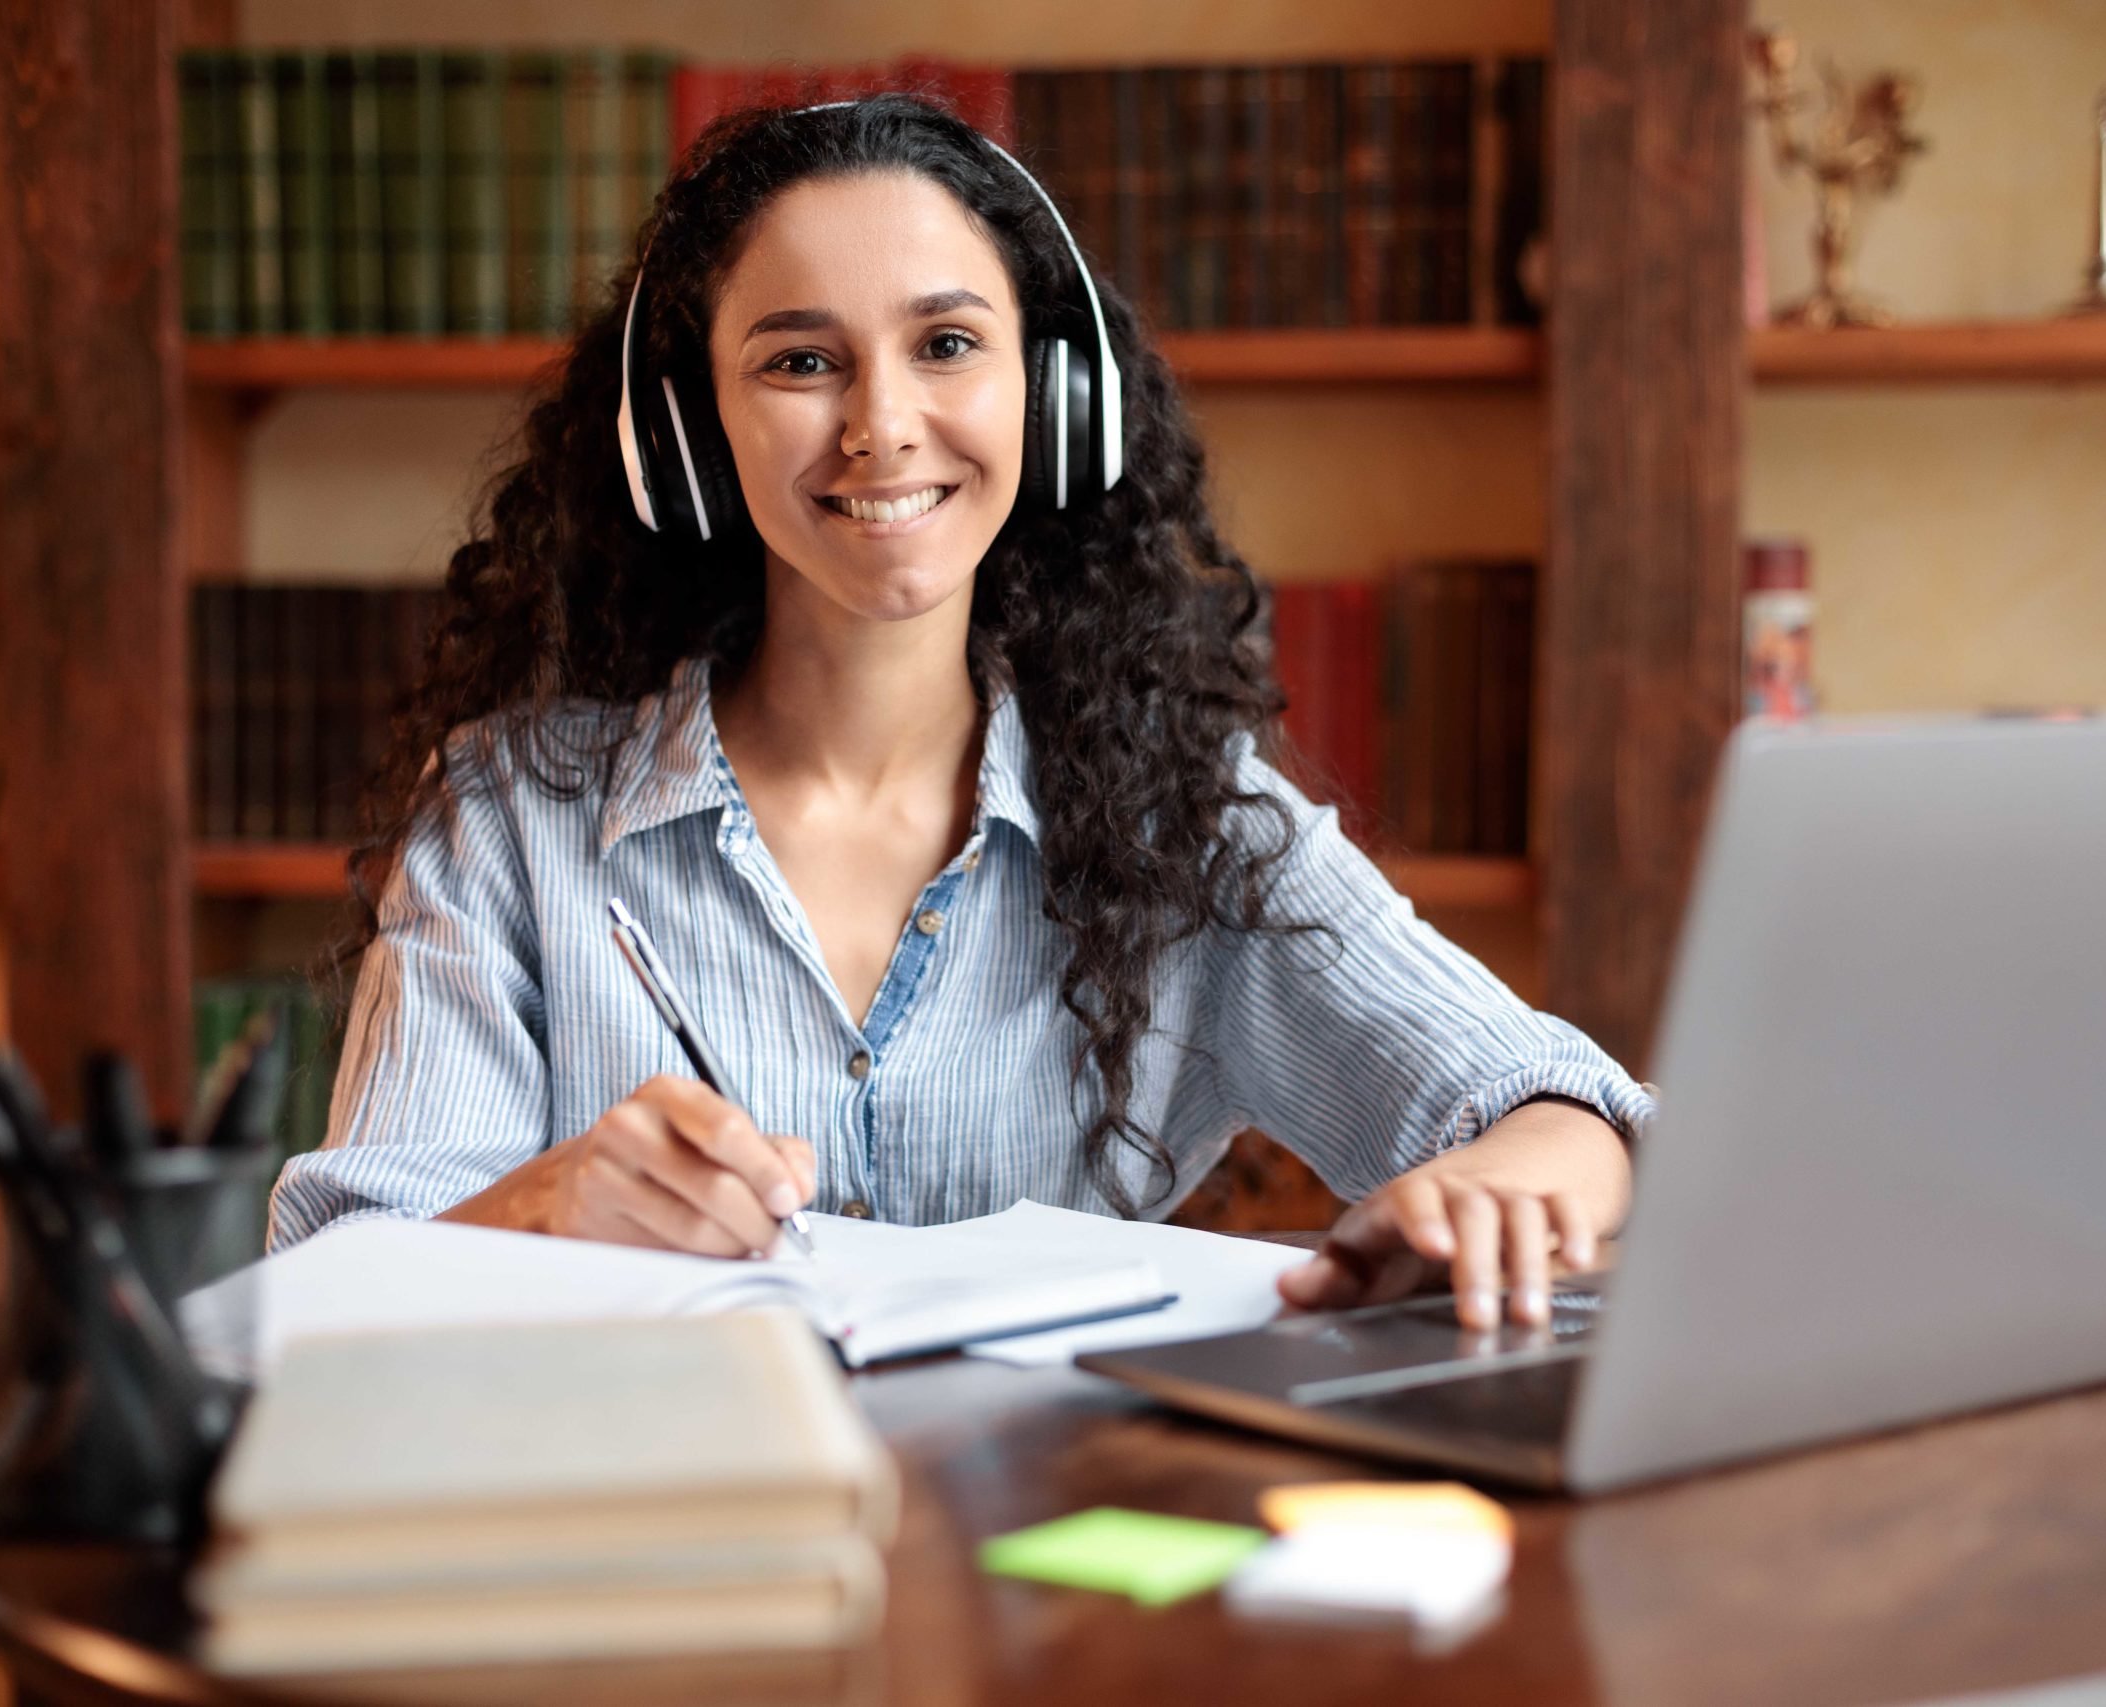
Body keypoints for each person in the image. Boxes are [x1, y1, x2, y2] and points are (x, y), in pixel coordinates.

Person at [272, 94, 1656, 1333]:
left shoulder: (1183, 813)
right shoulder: (516, 818)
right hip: (667, 1560)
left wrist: (1501, 1186)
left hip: (1053, 1572)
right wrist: (546, 1209)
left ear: (1050, 402)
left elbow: (1578, 1116)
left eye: (945, 343)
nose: (883, 423)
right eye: (800, 363)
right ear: (693, 434)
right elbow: (330, 1294)